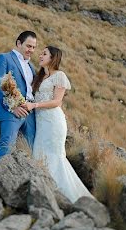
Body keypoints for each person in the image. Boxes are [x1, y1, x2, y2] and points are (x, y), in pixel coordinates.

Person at [22, 46, 93, 203]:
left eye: (44, 53)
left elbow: (56, 102)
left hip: (53, 122)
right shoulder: (40, 77)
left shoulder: (59, 76)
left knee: (54, 157)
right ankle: (44, 192)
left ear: (53, 58)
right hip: (41, 124)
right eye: (41, 53)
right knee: (39, 154)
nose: (40, 55)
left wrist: (34, 106)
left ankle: (62, 197)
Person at [0, 31, 37, 162]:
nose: (31, 50)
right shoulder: (4, 58)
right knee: (6, 146)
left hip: (30, 114)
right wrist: (13, 107)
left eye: (33, 47)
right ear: (19, 43)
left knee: (29, 151)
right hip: (11, 112)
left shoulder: (31, 66)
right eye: (28, 46)